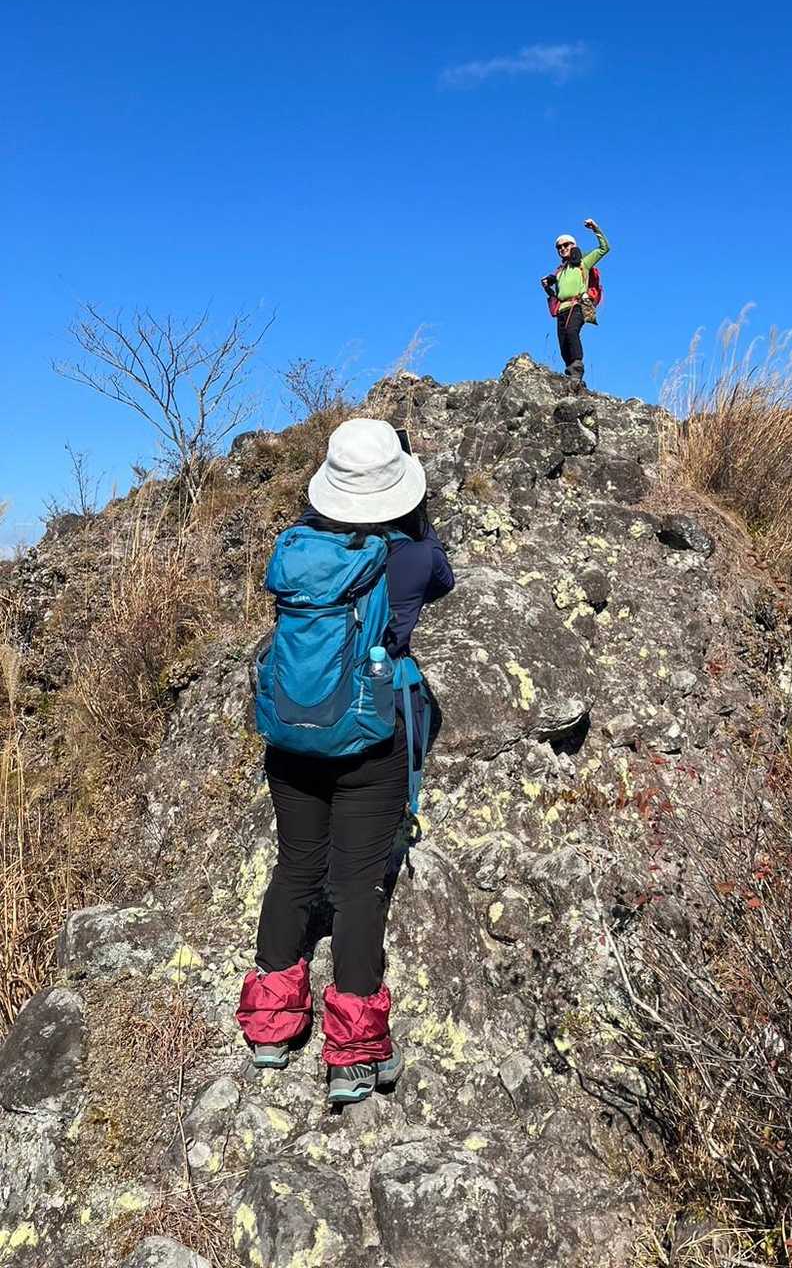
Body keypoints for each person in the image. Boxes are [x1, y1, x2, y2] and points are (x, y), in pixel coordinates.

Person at [236, 418, 454, 1105]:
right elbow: (442, 579)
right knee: (358, 887)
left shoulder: (297, 547)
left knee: (297, 867)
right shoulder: (412, 557)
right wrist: (415, 521)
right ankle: (354, 1055)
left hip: (293, 736)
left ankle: (270, 1027)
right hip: (369, 740)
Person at [541, 217, 610, 391]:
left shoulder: (583, 263)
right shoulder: (559, 272)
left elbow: (604, 248)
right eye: (559, 247)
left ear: (573, 246)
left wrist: (595, 228)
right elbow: (558, 294)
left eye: (566, 245)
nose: (562, 249)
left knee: (572, 332)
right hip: (561, 310)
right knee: (563, 342)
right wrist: (548, 287)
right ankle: (572, 375)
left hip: (577, 305)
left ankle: (577, 369)